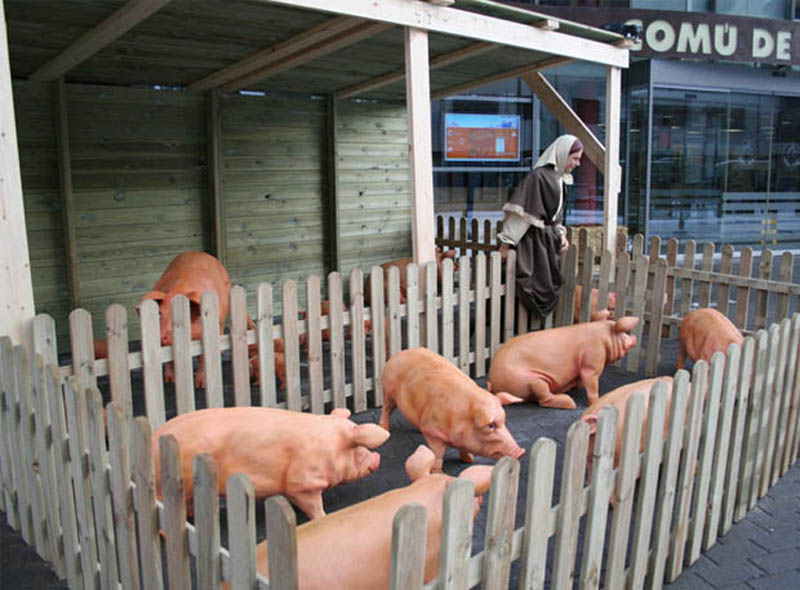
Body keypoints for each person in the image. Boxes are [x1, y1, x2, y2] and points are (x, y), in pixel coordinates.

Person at [497, 134, 583, 317]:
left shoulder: (560, 178)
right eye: (575, 158)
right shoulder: (538, 177)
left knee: (547, 282)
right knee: (529, 283)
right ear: (562, 153)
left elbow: (556, 215)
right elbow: (522, 215)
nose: (578, 163)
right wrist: (507, 242)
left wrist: (561, 234)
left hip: (547, 242)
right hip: (533, 243)